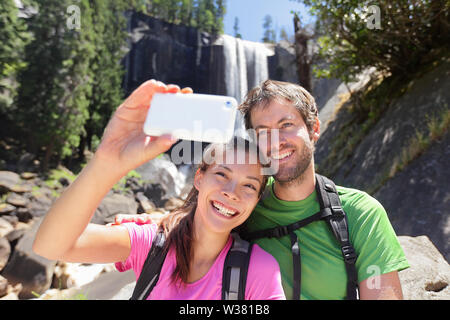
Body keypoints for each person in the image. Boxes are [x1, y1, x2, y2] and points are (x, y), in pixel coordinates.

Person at [32, 80, 285, 300]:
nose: (231, 192)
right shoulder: (153, 243)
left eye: (249, 186)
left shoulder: (259, 270)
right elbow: (51, 247)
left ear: (256, 201)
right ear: (199, 178)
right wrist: (105, 162)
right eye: (221, 174)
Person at [236, 79, 410, 300]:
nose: (275, 142)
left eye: (286, 125)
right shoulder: (242, 204)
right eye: (262, 132)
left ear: (314, 128)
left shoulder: (360, 213)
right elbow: (186, 239)